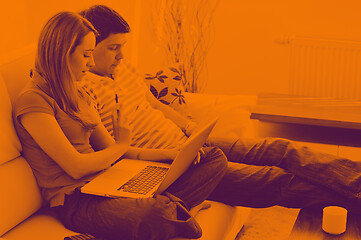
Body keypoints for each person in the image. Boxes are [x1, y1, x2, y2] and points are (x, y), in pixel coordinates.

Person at [79, 5, 361, 213]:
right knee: (277, 181)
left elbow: (152, 103)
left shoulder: (123, 68)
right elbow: (110, 154)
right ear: (89, 48)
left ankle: (356, 179)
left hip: (188, 144)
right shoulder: (85, 90)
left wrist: (189, 127)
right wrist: (175, 156)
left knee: (282, 149)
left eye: (123, 46)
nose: (122, 55)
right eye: (114, 48)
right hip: (168, 167)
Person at [12, 11, 229, 240]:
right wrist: (121, 143)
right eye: (86, 55)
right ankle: (180, 210)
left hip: (108, 183)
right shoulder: (33, 100)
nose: (92, 62)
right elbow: (76, 166)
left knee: (213, 158)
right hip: (78, 201)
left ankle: (177, 210)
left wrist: (172, 155)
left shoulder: (79, 93)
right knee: (156, 214)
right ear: (63, 53)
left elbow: (121, 152)